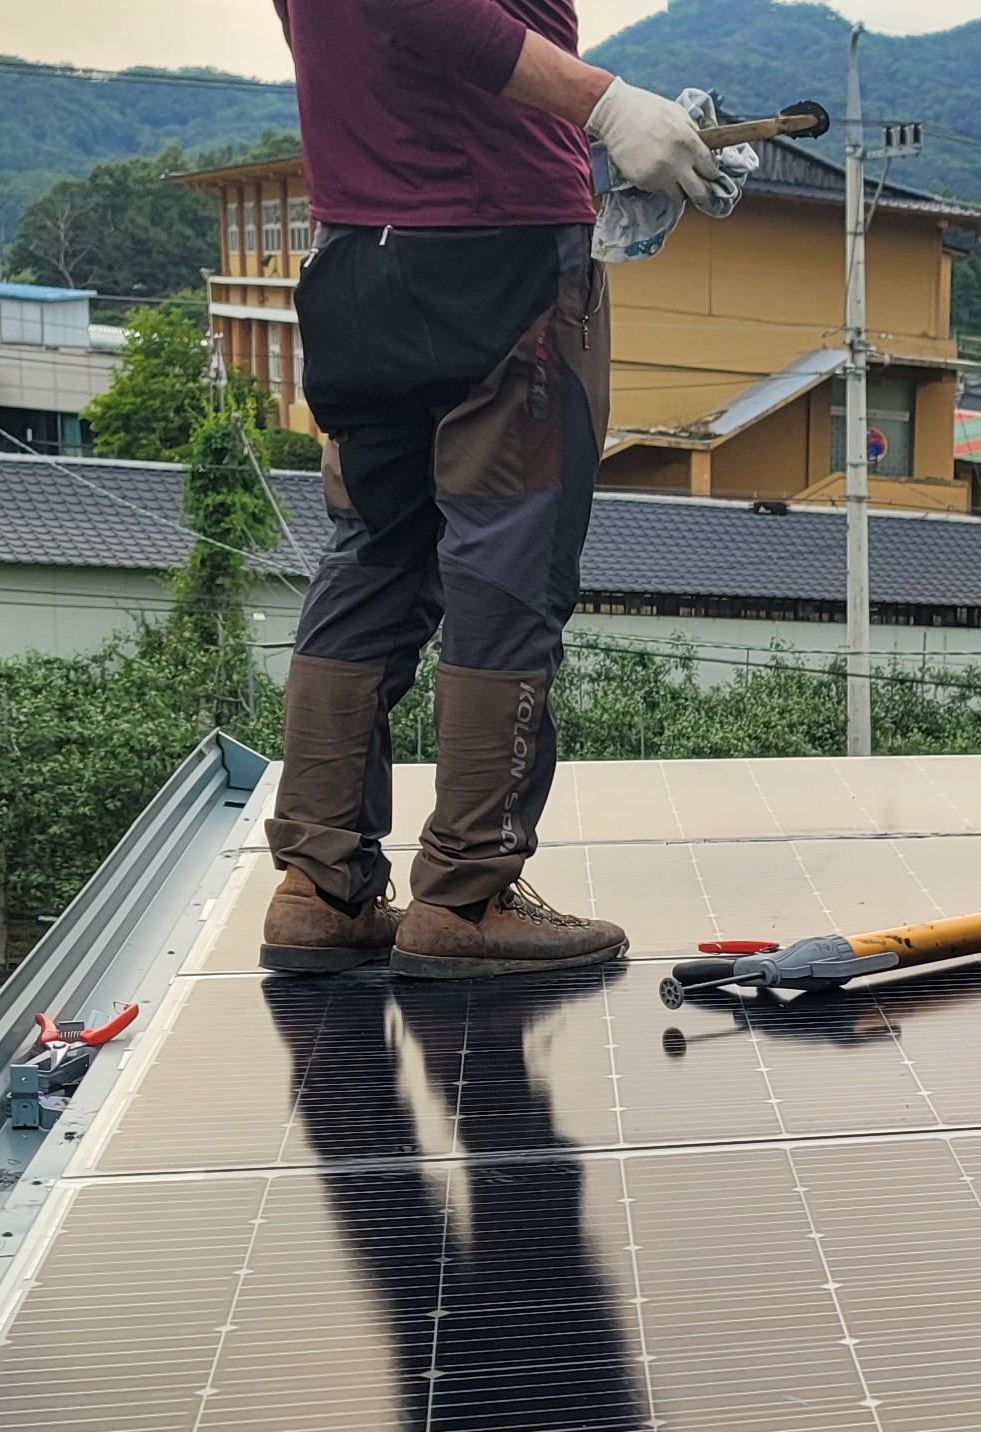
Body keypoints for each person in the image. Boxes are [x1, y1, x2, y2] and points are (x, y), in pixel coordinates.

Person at [258, 0, 726, 977]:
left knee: (374, 553)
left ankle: (318, 884)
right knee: (507, 564)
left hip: (358, 249)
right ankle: (467, 897)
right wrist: (606, 105)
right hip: (497, 254)